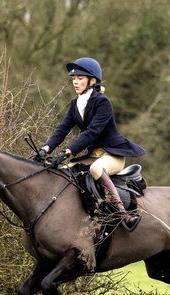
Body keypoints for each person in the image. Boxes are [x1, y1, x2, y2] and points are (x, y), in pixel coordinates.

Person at [35, 57, 145, 231]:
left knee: (95, 170)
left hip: (112, 155)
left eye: (80, 78)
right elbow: (62, 129)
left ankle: (124, 215)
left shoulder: (103, 102)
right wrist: (45, 149)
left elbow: (92, 132)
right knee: (66, 170)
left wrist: (67, 152)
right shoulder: (75, 104)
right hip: (94, 156)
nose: (75, 82)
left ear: (92, 81)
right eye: (73, 79)